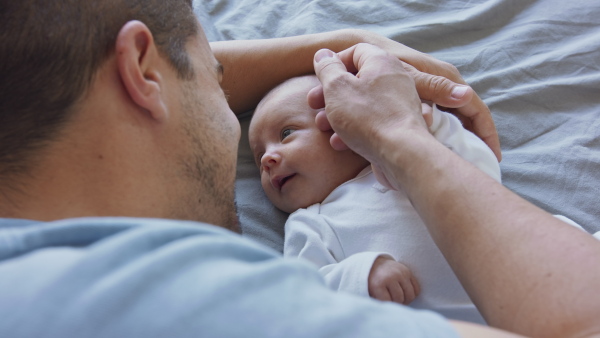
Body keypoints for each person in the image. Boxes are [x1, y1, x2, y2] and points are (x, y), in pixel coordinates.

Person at [1, 1, 599, 338]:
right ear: (141, 70)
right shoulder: (179, 302)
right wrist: (396, 135)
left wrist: (346, 42)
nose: (244, 138)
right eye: (217, 77)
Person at [248, 74, 502, 324]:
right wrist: (362, 275)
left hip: (522, 300)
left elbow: (484, 177)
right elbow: (305, 296)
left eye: (286, 133)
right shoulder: (310, 222)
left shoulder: (406, 157)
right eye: (259, 155)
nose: (267, 159)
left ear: (346, 120)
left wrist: (434, 128)